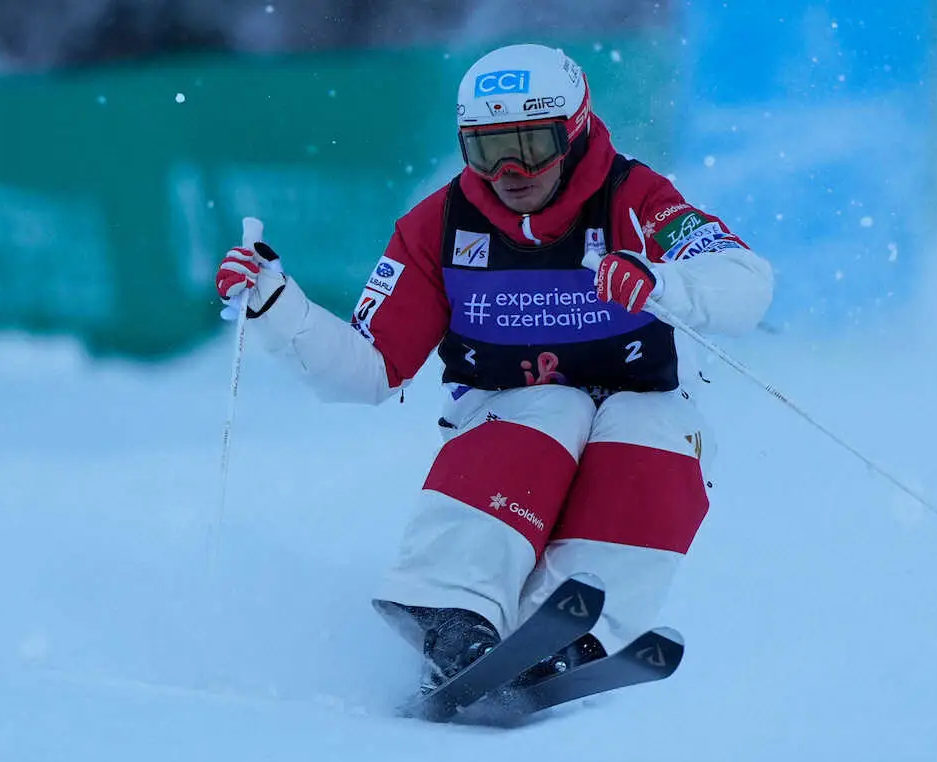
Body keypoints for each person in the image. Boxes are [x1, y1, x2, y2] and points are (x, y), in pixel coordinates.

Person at [215, 43, 774, 692]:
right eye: (487, 150)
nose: (511, 171)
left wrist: (665, 283)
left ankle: (577, 628)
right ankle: (451, 605)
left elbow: (747, 281)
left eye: (533, 146)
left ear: (574, 132)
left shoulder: (636, 199)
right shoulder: (439, 226)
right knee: (551, 406)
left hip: (643, 395)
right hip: (509, 412)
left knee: (652, 428)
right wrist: (278, 307)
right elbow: (368, 371)